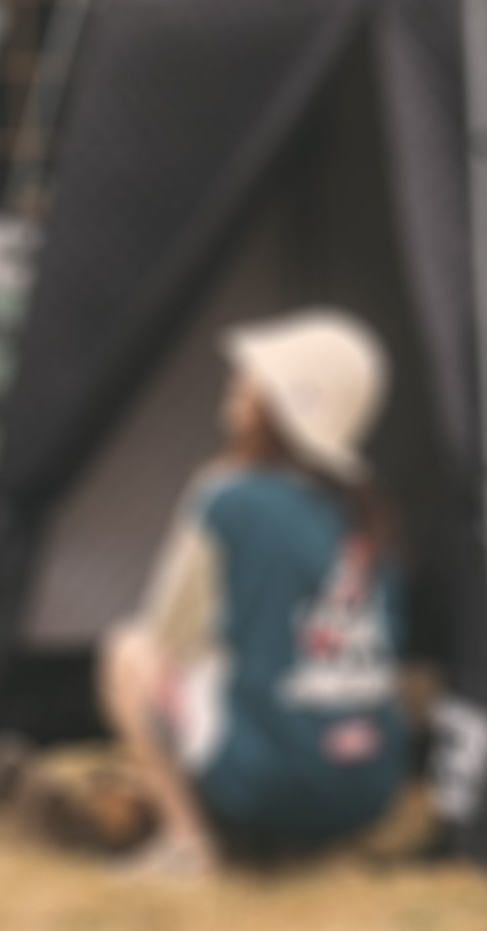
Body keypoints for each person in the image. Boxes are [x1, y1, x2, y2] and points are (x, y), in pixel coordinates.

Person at [96, 309, 409, 876]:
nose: (238, 382)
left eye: (252, 378)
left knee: (129, 652)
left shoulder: (229, 496)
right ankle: (313, 844)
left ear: (285, 403)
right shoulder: (369, 508)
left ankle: (189, 844)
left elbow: (170, 632)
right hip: (368, 787)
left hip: (269, 782)